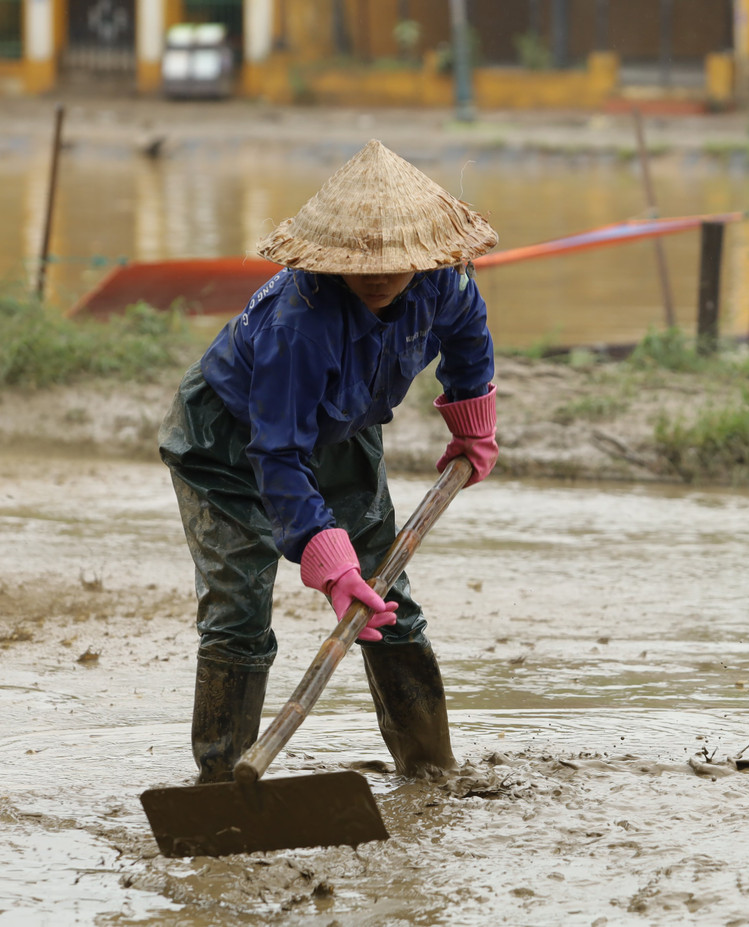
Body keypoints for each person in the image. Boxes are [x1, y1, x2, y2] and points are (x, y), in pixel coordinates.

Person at [158, 139, 499, 784]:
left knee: (384, 597)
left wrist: (472, 425)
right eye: (359, 262)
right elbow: (278, 453)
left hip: (339, 428)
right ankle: (221, 783)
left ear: (426, 257)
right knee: (238, 608)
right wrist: (325, 557)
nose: (376, 274)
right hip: (226, 444)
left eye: (393, 261)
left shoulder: (445, 284)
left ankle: (430, 767)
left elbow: (469, 342)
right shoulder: (300, 323)